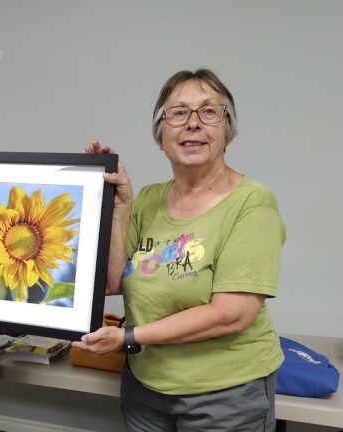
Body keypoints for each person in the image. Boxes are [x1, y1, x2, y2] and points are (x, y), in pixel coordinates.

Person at [73, 69, 285, 432]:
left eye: (208, 112)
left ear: (226, 131)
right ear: (161, 135)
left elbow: (231, 314)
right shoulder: (150, 199)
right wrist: (121, 207)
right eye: (178, 113)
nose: (193, 124)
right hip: (146, 387)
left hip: (225, 396)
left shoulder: (252, 203)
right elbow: (112, 282)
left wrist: (128, 337)